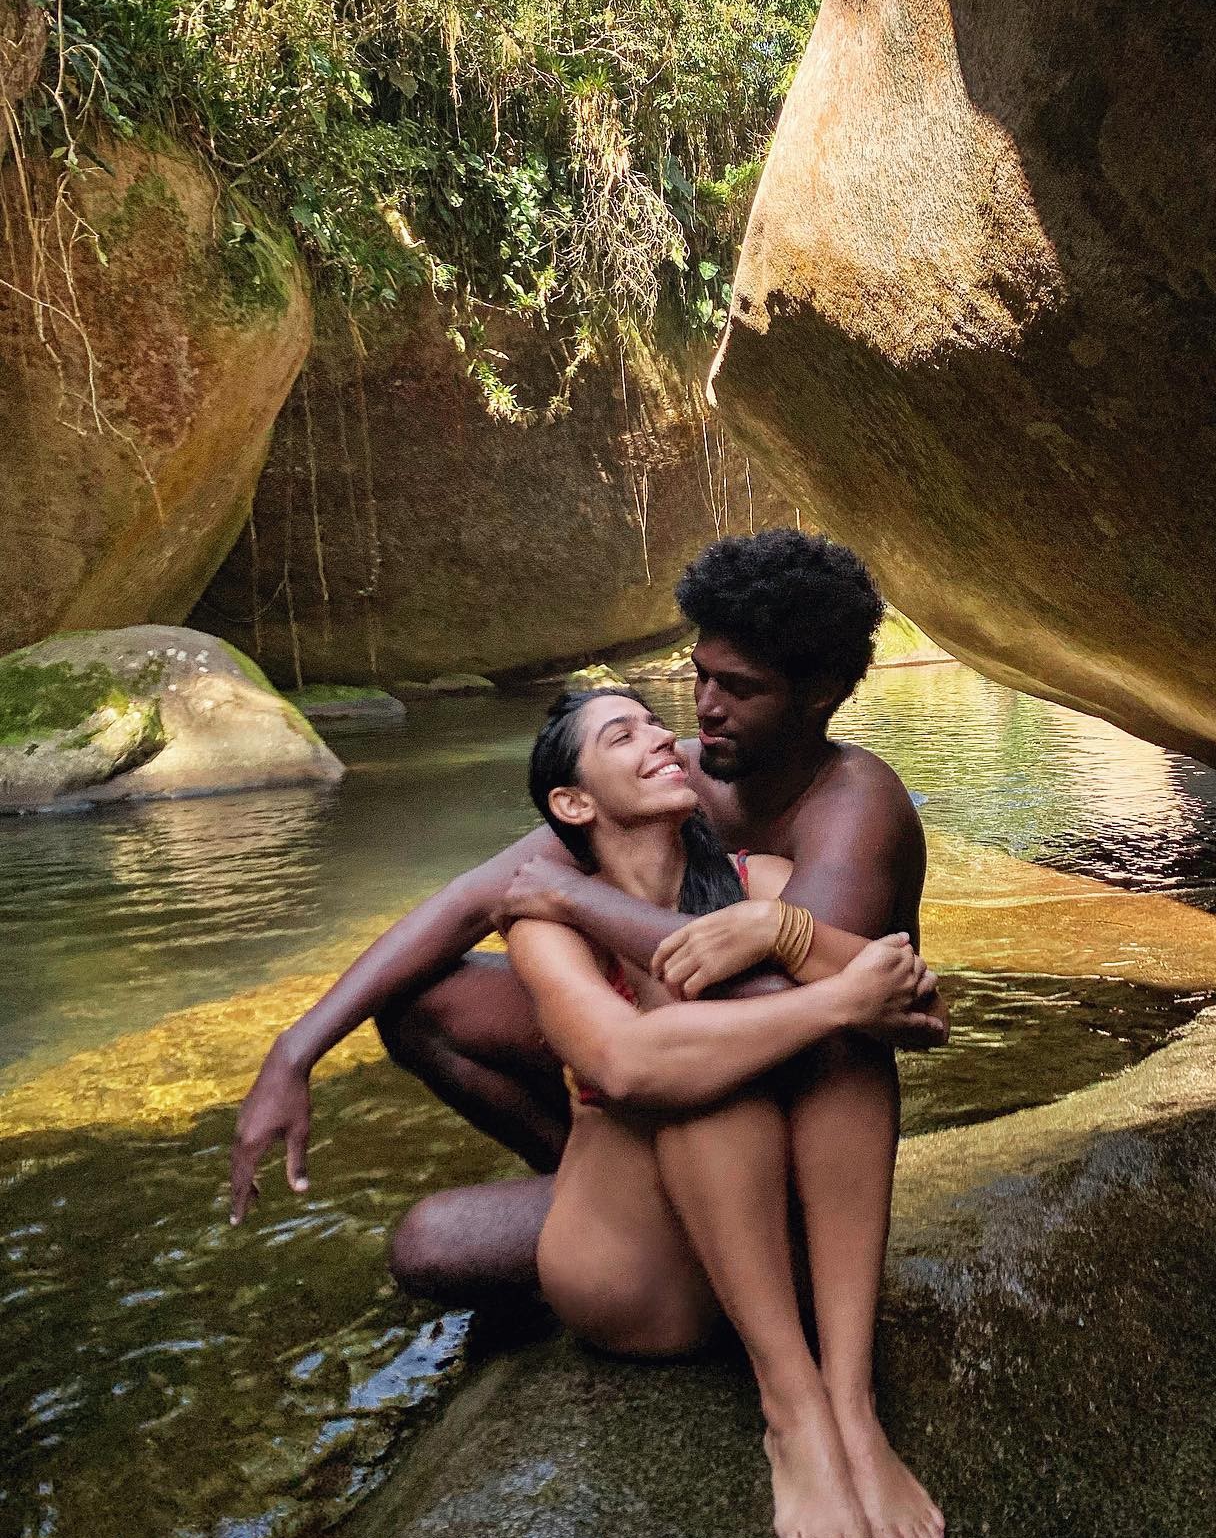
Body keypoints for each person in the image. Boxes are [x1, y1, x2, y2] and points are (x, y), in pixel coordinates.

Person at [229, 532, 944, 1306]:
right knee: (419, 1007)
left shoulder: (854, 806)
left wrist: (575, 899)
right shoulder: (684, 772)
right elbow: (472, 899)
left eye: (740, 688)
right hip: (664, 1077)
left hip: (778, 1109)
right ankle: (608, 1194)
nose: (706, 708)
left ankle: (756, 1253)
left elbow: (790, 1000)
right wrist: (294, 1051)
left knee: (436, 1245)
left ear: (819, 693)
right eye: (701, 675)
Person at [505, 683, 945, 1538]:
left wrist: (786, 930)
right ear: (573, 803)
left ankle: (852, 1409)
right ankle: (793, 1415)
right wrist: (833, 998)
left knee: (852, 1057)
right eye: (622, 735)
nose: (662, 738)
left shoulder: (759, 883)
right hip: (637, 1276)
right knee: (702, 1076)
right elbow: (627, 1064)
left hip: (762, 1259)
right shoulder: (548, 924)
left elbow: (923, 1011)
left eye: (653, 724)